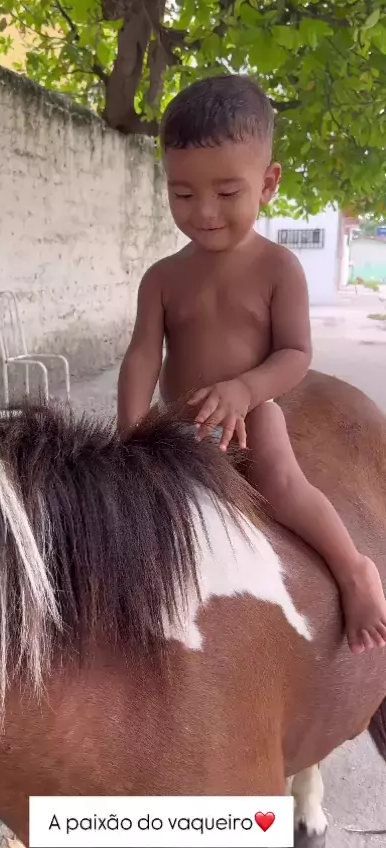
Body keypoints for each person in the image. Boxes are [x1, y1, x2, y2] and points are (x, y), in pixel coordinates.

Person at [117, 73, 386, 655]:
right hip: (180, 425)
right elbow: (142, 353)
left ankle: (354, 568)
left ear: (267, 184)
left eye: (226, 193)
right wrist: (131, 429)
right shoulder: (162, 278)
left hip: (251, 417)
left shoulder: (278, 268)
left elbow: (296, 354)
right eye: (182, 194)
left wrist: (244, 389)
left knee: (284, 486)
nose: (204, 212)